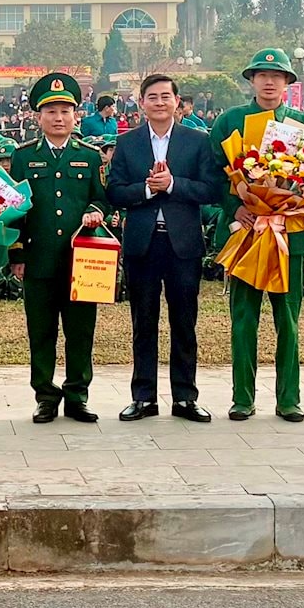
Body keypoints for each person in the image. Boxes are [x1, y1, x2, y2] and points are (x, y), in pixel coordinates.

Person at [208, 49, 304, 423]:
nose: (270, 81)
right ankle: (242, 397)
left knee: (288, 320)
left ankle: (289, 398)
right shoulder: (231, 121)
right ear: (251, 80)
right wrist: (232, 208)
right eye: (262, 75)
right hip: (248, 235)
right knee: (243, 319)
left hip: (288, 238)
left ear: (288, 82)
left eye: (278, 75)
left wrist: (296, 210)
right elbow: (213, 177)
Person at [106, 72, 221, 421]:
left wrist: (172, 185)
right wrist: (146, 190)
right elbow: (114, 191)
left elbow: (210, 190)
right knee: (144, 322)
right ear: (141, 103)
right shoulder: (126, 143)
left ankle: (185, 397)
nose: (159, 102)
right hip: (143, 243)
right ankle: (144, 397)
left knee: (184, 322)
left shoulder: (196, 141)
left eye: (165, 96)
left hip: (182, 244)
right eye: (152, 97)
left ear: (177, 102)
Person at [10, 72, 111, 424]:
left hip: (81, 261)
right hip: (38, 259)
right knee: (41, 331)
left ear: (76, 116)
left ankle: (77, 395)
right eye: (50, 111)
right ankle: (45, 396)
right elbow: (14, 209)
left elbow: (103, 200)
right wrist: (17, 254)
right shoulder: (23, 158)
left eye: (65, 110)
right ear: (38, 117)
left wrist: (95, 213)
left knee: (81, 331)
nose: (58, 117)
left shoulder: (91, 156)